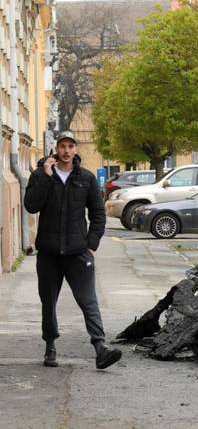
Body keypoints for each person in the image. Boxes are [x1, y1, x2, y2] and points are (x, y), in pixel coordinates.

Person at [24, 131, 123, 369]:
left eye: (70, 146)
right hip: (48, 253)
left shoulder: (86, 178)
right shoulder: (40, 175)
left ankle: (100, 348)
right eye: (62, 146)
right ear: (55, 149)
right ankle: (50, 348)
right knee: (49, 303)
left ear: (76, 149)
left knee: (88, 301)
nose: (66, 151)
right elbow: (31, 205)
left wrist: (91, 245)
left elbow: (98, 214)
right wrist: (47, 177)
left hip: (78, 252)